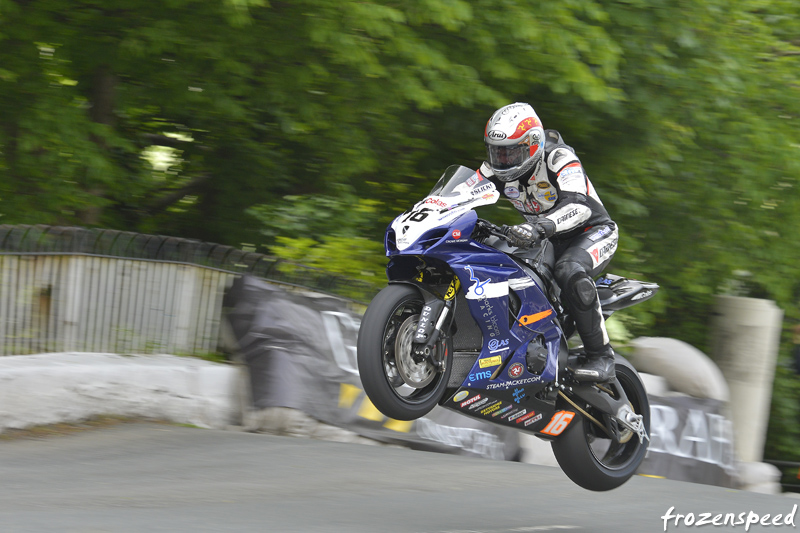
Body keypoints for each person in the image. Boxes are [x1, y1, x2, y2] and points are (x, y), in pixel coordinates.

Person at [478, 102, 618, 382]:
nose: (502, 160)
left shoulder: (559, 158)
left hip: (591, 231)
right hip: (544, 237)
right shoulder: (495, 169)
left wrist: (541, 227)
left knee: (569, 270)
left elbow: (580, 205)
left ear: (532, 145)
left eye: (511, 152)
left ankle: (602, 357)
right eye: (497, 152)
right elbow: (463, 190)